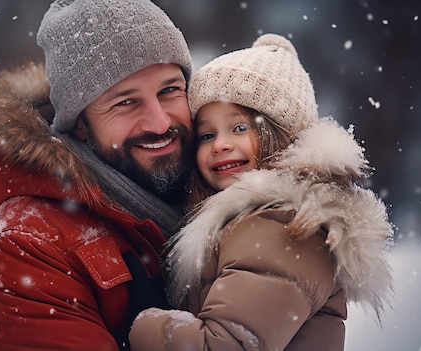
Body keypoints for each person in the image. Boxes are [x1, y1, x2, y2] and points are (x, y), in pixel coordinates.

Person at [128, 33, 394, 351]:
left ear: (281, 135)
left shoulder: (283, 226)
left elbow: (225, 346)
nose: (220, 144)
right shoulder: (253, 222)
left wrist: (141, 323)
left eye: (239, 127)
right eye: (207, 134)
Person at [0, 0, 195, 350]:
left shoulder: (224, 182)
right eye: (125, 102)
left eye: (169, 91)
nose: (161, 122)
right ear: (81, 126)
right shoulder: (21, 249)